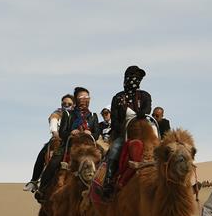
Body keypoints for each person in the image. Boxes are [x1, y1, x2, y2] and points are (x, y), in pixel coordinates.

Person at [36, 87, 99, 200]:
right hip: (69, 146)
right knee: (54, 162)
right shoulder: (68, 114)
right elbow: (62, 133)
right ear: (76, 99)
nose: (84, 99)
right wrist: (71, 132)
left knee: (105, 159)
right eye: (81, 96)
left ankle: (105, 190)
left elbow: (97, 134)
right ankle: (42, 189)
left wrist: (90, 133)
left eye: (86, 96)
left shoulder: (93, 116)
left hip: (88, 146)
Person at [101, 65, 152, 197]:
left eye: (138, 77)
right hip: (124, 134)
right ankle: (108, 181)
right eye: (134, 76)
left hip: (144, 132)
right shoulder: (117, 98)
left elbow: (147, 110)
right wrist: (124, 130)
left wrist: (141, 114)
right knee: (115, 148)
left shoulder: (145, 95)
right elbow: (115, 120)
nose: (136, 79)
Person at [24, 93, 74, 192]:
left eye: (69, 104)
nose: (66, 105)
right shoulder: (58, 113)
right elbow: (54, 121)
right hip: (59, 140)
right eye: (64, 103)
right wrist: (55, 132)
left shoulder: (77, 115)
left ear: (74, 105)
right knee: (43, 153)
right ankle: (34, 181)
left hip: (74, 140)